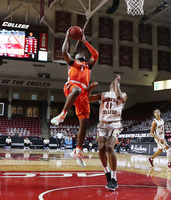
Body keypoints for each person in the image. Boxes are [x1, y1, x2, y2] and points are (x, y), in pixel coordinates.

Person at [50, 27, 99, 167]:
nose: (82, 54)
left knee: (85, 123)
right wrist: (66, 35)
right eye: (79, 54)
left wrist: (84, 41)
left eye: (83, 54)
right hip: (71, 87)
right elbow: (64, 52)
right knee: (77, 89)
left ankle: (77, 151)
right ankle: (62, 115)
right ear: (75, 58)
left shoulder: (88, 66)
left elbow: (95, 54)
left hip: (82, 93)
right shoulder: (73, 64)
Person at [88, 75, 127, 191]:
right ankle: (107, 172)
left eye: (116, 84)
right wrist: (90, 87)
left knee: (109, 147)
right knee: (101, 149)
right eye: (113, 84)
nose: (114, 85)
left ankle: (114, 179)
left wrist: (117, 84)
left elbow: (119, 97)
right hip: (103, 124)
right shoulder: (103, 94)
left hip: (115, 124)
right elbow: (88, 98)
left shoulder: (123, 94)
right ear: (110, 86)